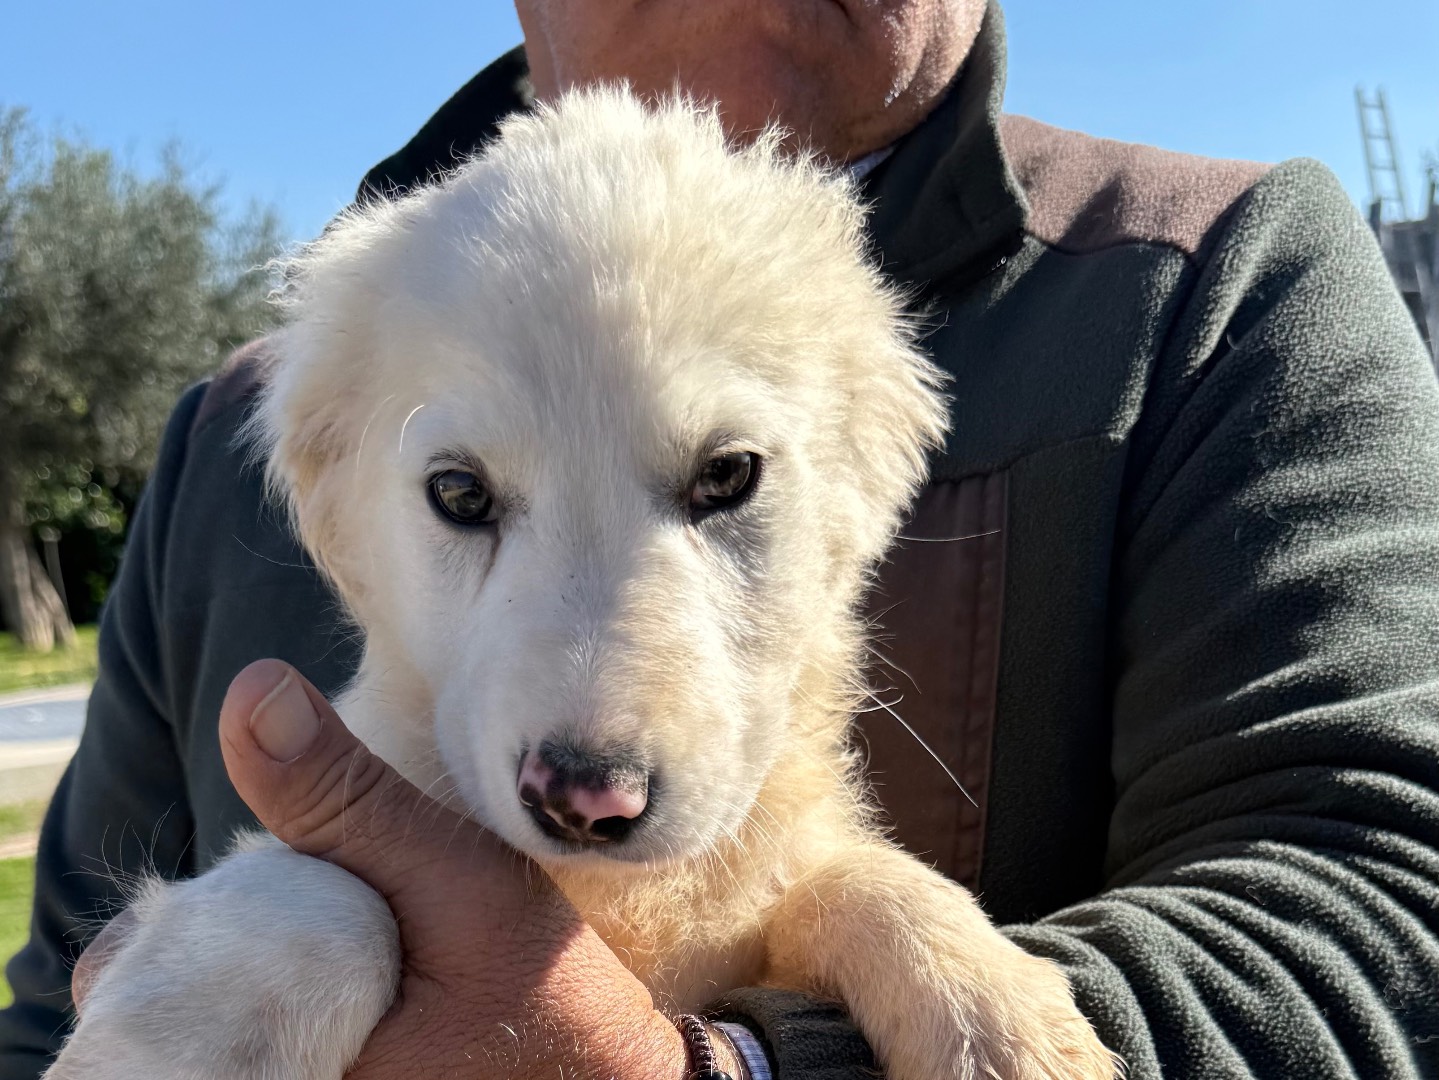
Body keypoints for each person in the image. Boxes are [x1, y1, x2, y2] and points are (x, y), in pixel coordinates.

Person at [4, 0, 1439, 1076]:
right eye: (460, 500)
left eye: (724, 481)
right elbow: (58, 1000)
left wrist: (737, 1065)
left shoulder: (1215, 282)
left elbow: (1385, 925)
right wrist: (284, 944)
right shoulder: (269, 403)